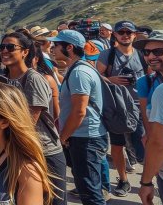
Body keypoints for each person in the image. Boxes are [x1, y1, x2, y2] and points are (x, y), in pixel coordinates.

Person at [0, 32, 65, 205]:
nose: (5, 51)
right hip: (19, 150)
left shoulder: (33, 79)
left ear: (25, 52)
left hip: (44, 152)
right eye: (2, 47)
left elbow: (28, 122)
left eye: (10, 47)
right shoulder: (5, 81)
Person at [49, 30, 107, 205]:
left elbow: (79, 111)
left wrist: (63, 137)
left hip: (86, 138)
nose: (52, 48)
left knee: (89, 191)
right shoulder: (78, 68)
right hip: (85, 137)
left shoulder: (79, 73)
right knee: (88, 187)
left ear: (69, 47)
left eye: (56, 45)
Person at [96, 20, 145, 196]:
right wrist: (112, 80)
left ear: (134, 35)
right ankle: (124, 180)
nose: (125, 35)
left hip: (140, 107)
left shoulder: (142, 55)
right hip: (116, 107)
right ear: (115, 35)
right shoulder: (106, 55)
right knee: (117, 146)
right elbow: (97, 77)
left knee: (145, 145)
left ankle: (147, 180)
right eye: (121, 32)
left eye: (128, 32)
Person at [137, 30, 163, 205]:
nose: (151, 56)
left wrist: (146, 182)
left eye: (158, 51)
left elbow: (160, 145)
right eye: (146, 52)